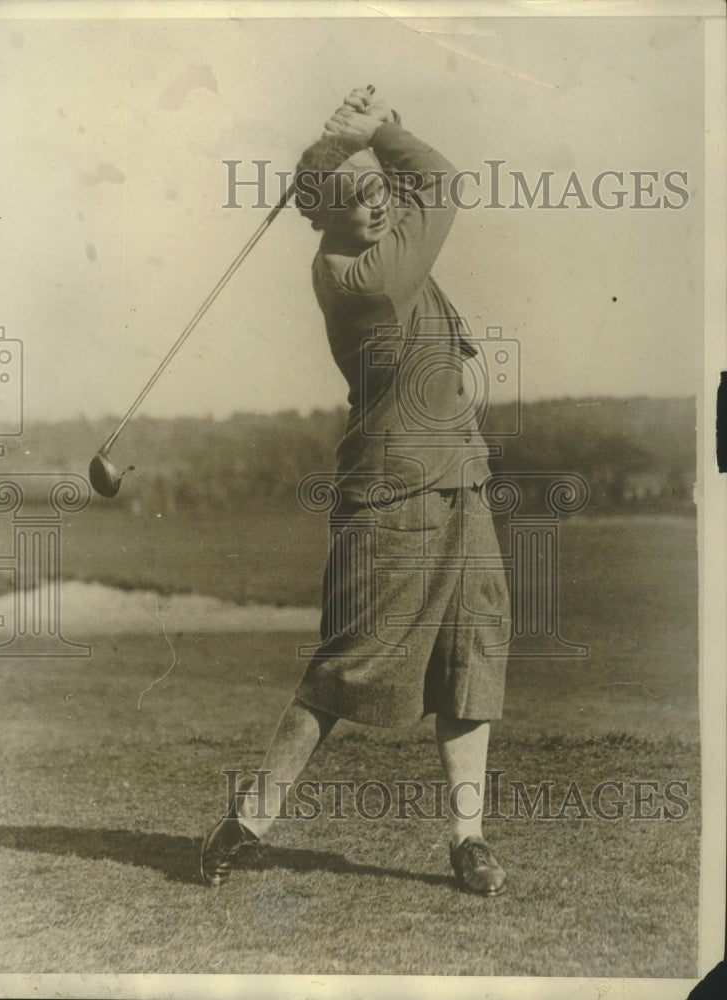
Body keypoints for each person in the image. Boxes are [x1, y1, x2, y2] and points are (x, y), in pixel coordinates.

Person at [200, 88, 511, 896]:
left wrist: (378, 124)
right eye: (356, 198)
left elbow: (409, 183)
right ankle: (248, 821)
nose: (376, 205)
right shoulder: (364, 280)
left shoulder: (372, 235)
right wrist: (377, 135)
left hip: (460, 479)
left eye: (378, 190)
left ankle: (468, 839)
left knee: (469, 659)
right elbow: (437, 184)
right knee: (348, 668)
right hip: (393, 498)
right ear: (321, 216)